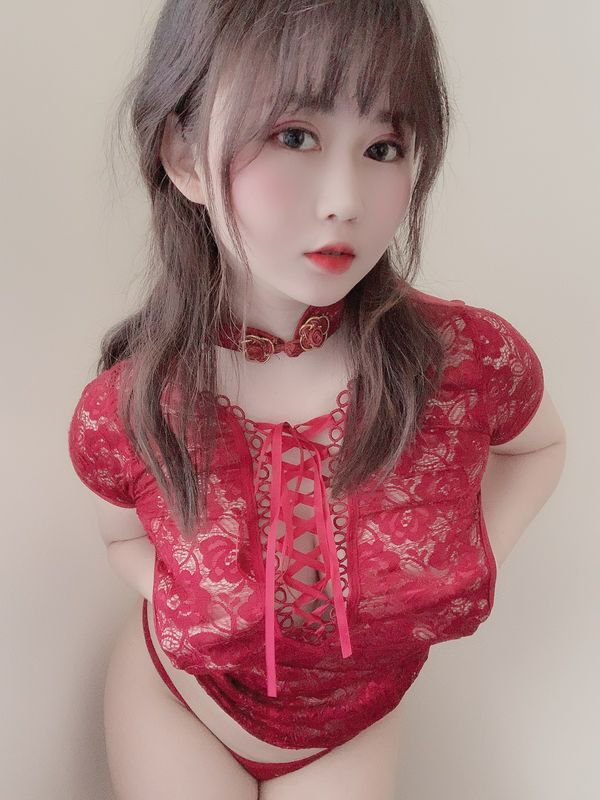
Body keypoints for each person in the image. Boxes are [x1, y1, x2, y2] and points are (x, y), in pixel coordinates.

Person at [67, 1, 566, 798]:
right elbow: (124, 538)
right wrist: (196, 593)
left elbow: (538, 446)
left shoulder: (465, 361)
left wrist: (471, 556)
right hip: (179, 705)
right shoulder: (129, 405)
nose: (344, 199)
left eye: (383, 147)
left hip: (351, 727)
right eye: (294, 135)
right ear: (186, 157)